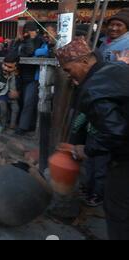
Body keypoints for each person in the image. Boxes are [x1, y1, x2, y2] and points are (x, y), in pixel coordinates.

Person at [56, 38, 129, 240]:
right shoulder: (116, 69)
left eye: (69, 70)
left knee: (117, 207)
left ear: (86, 61)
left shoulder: (95, 86)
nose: (70, 77)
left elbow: (115, 132)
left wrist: (87, 149)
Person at [12, 22, 44, 137]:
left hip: (33, 76)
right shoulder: (23, 41)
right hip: (21, 75)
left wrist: (30, 39)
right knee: (22, 101)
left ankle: (22, 127)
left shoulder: (40, 41)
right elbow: (14, 53)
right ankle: (27, 124)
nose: (27, 33)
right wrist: (17, 41)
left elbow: (30, 52)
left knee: (28, 102)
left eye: (30, 31)